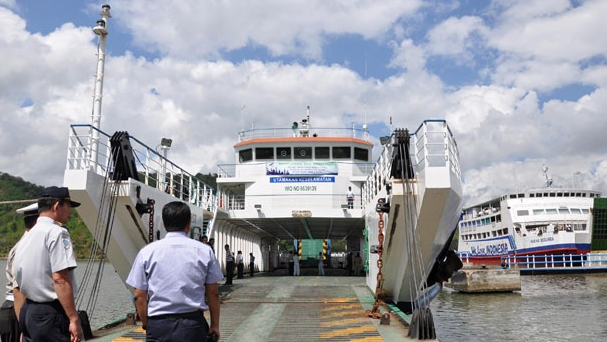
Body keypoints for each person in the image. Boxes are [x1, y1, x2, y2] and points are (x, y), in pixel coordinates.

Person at [126, 201, 223, 342]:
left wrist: (148, 324)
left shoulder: (146, 252)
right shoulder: (205, 251)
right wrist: (214, 325)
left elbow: (139, 296)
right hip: (193, 325)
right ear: (189, 224)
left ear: (164, 224)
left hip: (158, 325)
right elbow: (213, 293)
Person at [13, 186, 84, 342]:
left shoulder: (28, 236)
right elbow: (60, 278)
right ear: (57, 206)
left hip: (29, 310)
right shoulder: (57, 233)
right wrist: (73, 318)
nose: (70, 213)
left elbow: (18, 278)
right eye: (68, 207)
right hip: (50, 313)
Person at [1, 203, 38, 342]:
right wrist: (24, 327)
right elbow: (19, 291)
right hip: (17, 311)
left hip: (16, 310)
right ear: (37, 222)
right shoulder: (25, 247)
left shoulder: (28, 244)